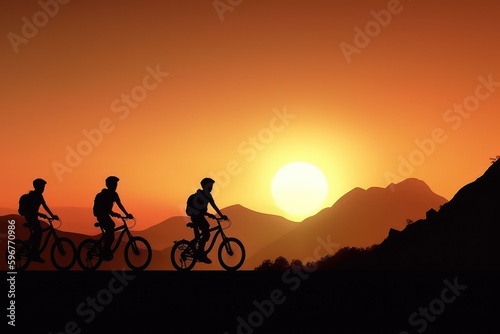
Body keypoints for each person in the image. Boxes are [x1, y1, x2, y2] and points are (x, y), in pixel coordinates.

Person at [186, 177, 228, 264]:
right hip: (196, 216)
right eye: (210, 186)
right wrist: (211, 215)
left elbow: (214, 206)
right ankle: (201, 254)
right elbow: (198, 210)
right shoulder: (200, 196)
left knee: (203, 234)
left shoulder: (208, 196)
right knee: (206, 233)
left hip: (199, 216)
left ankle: (199, 252)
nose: (211, 188)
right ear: (205, 186)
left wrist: (221, 215)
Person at [93, 176, 133, 261]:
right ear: (110, 185)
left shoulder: (114, 194)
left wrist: (126, 214)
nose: (116, 185)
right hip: (101, 215)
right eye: (114, 184)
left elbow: (119, 205)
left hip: (105, 214)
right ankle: (106, 250)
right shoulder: (105, 195)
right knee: (111, 228)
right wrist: (114, 214)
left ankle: (105, 248)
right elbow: (104, 209)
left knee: (111, 228)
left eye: (116, 184)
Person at [19, 178, 59, 263]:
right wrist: (44, 215)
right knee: (39, 233)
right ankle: (35, 254)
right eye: (43, 186)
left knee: (37, 233)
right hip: (30, 217)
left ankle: (29, 246)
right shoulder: (35, 195)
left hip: (33, 217)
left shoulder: (39, 195)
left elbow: (45, 206)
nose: (43, 188)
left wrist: (52, 215)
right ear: (38, 187)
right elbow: (32, 210)